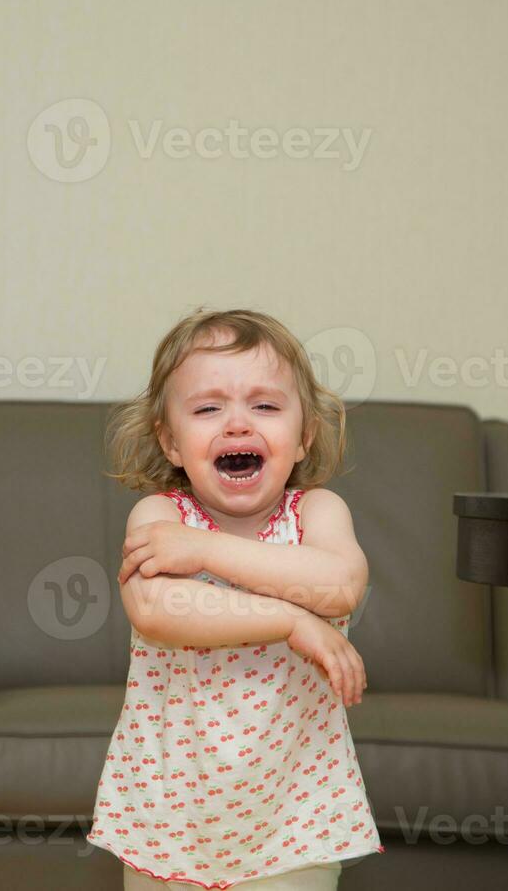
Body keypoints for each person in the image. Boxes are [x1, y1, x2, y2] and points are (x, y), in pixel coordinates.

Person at [86, 307, 385, 889]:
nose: (238, 424)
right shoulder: (160, 517)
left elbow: (340, 584)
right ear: (171, 441)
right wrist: (292, 623)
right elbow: (158, 610)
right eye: (207, 408)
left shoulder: (317, 513)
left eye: (266, 405)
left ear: (303, 437)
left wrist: (202, 552)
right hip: (168, 806)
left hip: (297, 810)